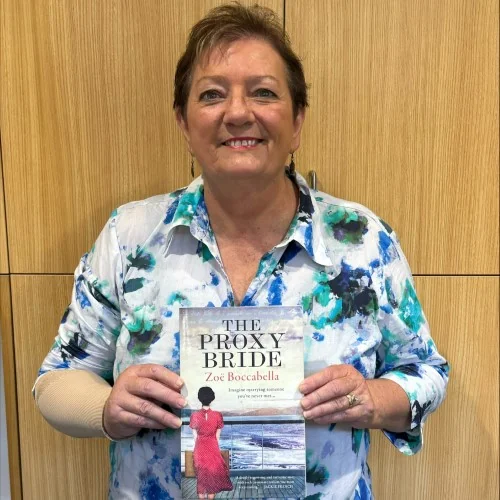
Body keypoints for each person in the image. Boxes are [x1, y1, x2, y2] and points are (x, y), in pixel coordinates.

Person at [33, 3, 449, 499]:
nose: (237, 113)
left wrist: (373, 399)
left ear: (296, 121)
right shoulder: (130, 236)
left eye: (263, 92)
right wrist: (105, 410)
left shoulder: (361, 240)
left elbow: (426, 372)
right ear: (184, 125)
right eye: (211, 94)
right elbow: (56, 380)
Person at [189, 387, 233, 499]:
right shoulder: (218, 415)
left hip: (200, 450)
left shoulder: (194, 416)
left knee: (202, 479)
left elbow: (195, 438)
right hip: (213, 449)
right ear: (212, 398)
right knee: (212, 479)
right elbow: (217, 437)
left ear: (200, 398)